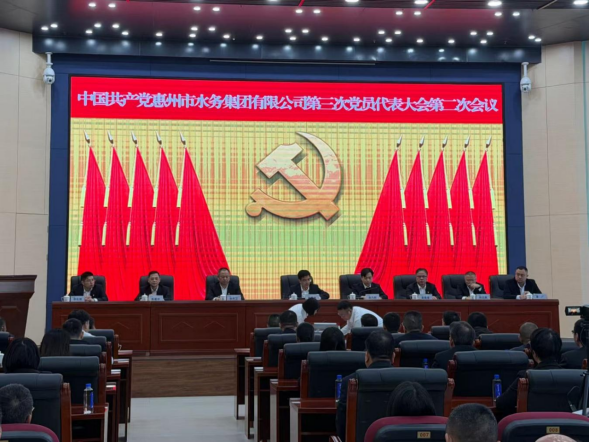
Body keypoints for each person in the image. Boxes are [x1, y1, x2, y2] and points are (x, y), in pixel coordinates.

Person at [336, 330, 395, 441]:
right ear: (393, 356)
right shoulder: (408, 380)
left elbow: (342, 425)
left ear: (366, 356)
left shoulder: (349, 381)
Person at [496, 328, 562, 416]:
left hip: (533, 424)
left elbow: (501, 403)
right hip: (567, 424)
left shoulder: (526, 376)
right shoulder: (572, 377)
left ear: (533, 353)